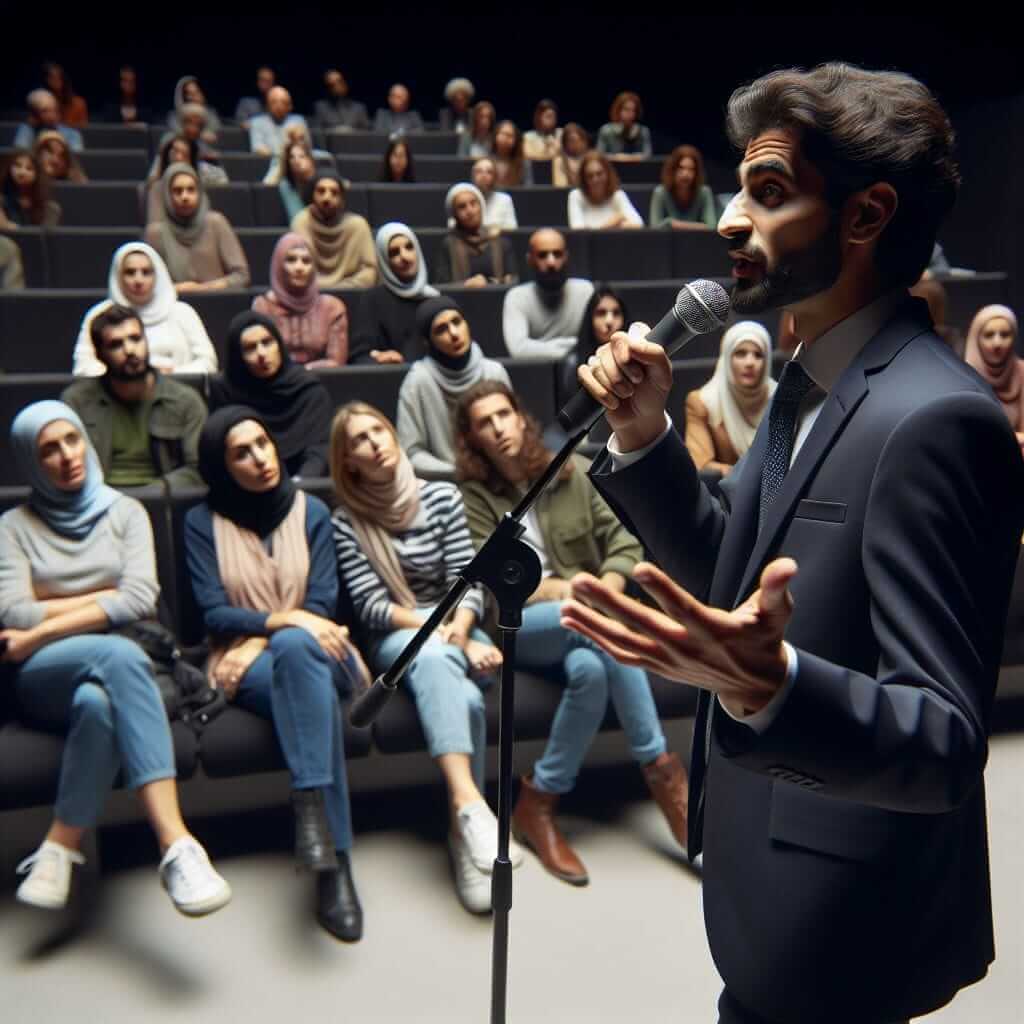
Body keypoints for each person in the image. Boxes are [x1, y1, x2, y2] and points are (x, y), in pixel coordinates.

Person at [566, 63, 1024, 1024]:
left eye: (768, 194)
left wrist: (769, 689)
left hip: (846, 924)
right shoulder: (807, 382)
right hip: (770, 882)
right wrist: (646, 437)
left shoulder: (937, 420)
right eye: (740, 190)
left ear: (865, 218)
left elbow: (943, 740)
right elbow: (734, 572)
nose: (730, 219)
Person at [0, 401, 231, 917]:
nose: (66, 456)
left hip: (74, 657)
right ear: (31, 462)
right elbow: (11, 608)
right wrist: (102, 597)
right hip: (42, 676)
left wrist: (44, 627)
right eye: (49, 450)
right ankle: (176, 843)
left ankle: (60, 846)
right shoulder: (13, 527)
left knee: (99, 703)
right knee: (118, 653)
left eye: (72, 440)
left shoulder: (124, 511)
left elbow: (140, 598)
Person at [455, 381, 690, 883]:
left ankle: (538, 801)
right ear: (471, 438)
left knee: (591, 671)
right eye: (483, 423)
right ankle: (667, 781)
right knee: (589, 627)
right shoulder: (474, 496)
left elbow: (623, 542)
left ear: (520, 417)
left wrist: (603, 588)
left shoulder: (571, 470)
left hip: (586, 621)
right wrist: (577, 594)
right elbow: (496, 583)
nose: (497, 428)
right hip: (521, 626)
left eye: (503, 414)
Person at [329, 402, 522, 913]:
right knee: (436, 663)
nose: (374, 442)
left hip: (454, 624)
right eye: (360, 440)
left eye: (378, 430)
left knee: (470, 702)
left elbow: (471, 578)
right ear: (348, 462)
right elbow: (373, 607)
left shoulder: (440, 496)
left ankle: (466, 833)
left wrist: (463, 627)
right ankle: (467, 807)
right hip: (398, 637)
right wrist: (450, 637)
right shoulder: (347, 521)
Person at [186, 407, 363, 940]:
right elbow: (213, 613)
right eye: (242, 452)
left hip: (319, 653)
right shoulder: (201, 522)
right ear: (222, 466)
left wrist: (272, 630)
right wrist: (284, 622)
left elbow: (323, 602)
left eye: (263, 443)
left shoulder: (311, 511)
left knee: (296, 648)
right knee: (307, 685)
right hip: (249, 667)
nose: (261, 458)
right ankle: (336, 865)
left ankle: (313, 815)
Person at [62, 305, 206, 489]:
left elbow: (196, 469)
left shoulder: (185, 401)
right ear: (100, 355)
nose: (129, 350)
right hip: (100, 502)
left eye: (135, 339)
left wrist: (149, 495)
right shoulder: (77, 402)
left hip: (163, 501)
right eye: (116, 344)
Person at [397, 295, 511, 480]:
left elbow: (514, 430)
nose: (454, 333)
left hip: (499, 476)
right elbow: (411, 453)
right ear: (428, 341)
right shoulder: (417, 381)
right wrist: (458, 472)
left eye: (457, 322)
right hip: (446, 482)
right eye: (441, 329)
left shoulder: (493, 372)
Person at [210, 312, 332, 479]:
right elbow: (219, 453)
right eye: (250, 348)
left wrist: (301, 484)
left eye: (267, 342)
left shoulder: (307, 389)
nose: (262, 353)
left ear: (279, 345)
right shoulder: (224, 390)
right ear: (238, 357)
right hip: (244, 483)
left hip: (302, 483)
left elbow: (319, 450)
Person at [73, 243, 218, 377]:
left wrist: (173, 373)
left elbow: (208, 362)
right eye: (130, 272)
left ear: (158, 275)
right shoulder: (99, 314)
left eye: (146, 272)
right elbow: (83, 367)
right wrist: (125, 375)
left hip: (176, 390)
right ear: (118, 276)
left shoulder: (182, 312)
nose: (138, 280)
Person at [684, 321, 776, 478]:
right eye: (740, 353)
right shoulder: (703, 402)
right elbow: (701, 465)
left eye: (758, 355)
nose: (750, 363)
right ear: (727, 358)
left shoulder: (781, 398)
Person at [144, 164, 250, 293]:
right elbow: (148, 283)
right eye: (177, 191)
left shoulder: (216, 223)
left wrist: (200, 289)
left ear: (199, 192)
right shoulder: (155, 233)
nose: (185, 196)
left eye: (191, 189)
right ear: (167, 195)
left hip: (218, 301)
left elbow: (242, 276)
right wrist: (174, 290)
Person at [252, 233, 349, 368]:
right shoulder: (263, 307)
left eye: (306, 261)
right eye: (291, 260)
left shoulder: (332, 308)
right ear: (279, 264)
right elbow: (261, 359)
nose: (299, 267)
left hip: (323, 382)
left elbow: (337, 363)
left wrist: (305, 371)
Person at [349, 222, 439, 365]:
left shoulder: (435, 300)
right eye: (394, 253)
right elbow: (359, 356)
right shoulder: (372, 300)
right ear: (385, 261)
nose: (404, 256)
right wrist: (377, 358)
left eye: (409, 247)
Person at [502, 229, 594, 360]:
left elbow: (594, 343)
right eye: (542, 255)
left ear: (566, 257)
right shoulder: (517, 297)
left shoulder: (585, 291)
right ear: (530, 260)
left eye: (557, 254)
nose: (551, 262)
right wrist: (572, 347)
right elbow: (518, 349)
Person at [291, 171, 376, 289]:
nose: (327, 197)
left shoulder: (358, 226)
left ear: (342, 198)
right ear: (312, 195)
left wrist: (341, 289)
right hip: (310, 297)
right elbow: (297, 269)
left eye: (334, 193)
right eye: (321, 191)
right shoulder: (301, 221)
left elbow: (370, 272)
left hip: (351, 294)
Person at [434, 182, 518, 287]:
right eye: (462, 207)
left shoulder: (501, 241)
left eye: (473, 203)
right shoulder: (448, 244)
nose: (470, 210)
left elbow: (514, 280)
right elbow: (442, 285)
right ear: (454, 214)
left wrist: (497, 283)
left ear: (481, 206)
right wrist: (466, 285)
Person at [965, 304, 1024, 450]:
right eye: (989, 335)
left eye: (1005, 335)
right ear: (976, 339)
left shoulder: (1022, 371)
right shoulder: (964, 376)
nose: (997, 343)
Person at [143, 134, 229, 224]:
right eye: (175, 152)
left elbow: (223, 180)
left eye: (185, 155)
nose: (178, 158)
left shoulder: (200, 173)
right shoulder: (157, 187)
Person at [568, 151, 643, 229]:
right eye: (590, 176)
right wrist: (613, 222)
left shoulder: (617, 195)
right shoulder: (576, 196)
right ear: (584, 179)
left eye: (599, 174)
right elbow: (578, 230)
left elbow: (638, 224)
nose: (595, 180)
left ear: (607, 174)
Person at [649, 145, 718, 230]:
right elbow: (654, 228)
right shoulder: (660, 192)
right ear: (672, 169)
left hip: (697, 242)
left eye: (691, 169)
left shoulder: (704, 192)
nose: (686, 174)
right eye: (681, 168)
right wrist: (698, 226)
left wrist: (673, 224)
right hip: (667, 242)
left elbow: (711, 227)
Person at [0, 150, 61, 228]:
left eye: (29, 168)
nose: (22, 172)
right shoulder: (1, 200)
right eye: (17, 166)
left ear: (37, 174)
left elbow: (44, 238)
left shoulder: (50, 209)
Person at [575, 284, 630, 368]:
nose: (609, 321)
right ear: (590, 319)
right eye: (601, 313)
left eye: (616, 313)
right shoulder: (576, 365)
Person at [13, 89, 84, 152]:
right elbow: (20, 156)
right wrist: (29, 128)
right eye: (45, 111)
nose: (52, 116)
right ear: (34, 115)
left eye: (54, 109)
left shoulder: (73, 135)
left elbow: (75, 162)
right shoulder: (27, 130)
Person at [249, 87, 310, 157]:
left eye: (283, 102)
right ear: (267, 106)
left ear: (290, 106)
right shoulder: (257, 122)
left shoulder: (298, 121)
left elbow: (305, 146)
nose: (279, 106)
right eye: (274, 102)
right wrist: (280, 159)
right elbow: (258, 148)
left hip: (294, 162)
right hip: (268, 162)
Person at [596, 91, 652, 161]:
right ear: (618, 110)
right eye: (626, 109)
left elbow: (648, 154)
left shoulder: (643, 131)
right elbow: (599, 155)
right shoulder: (606, 130)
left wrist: (631, 158)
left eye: (633, 110)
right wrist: (616, 157)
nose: (630, 114)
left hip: (637, 169)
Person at [167, 76, 222, 144]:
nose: (191, 97)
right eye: (187, 93)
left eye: (196, 92)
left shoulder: (212, 115)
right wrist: (198, 135)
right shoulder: (174, 117)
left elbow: (215, 133)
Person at [274, 139, 317, 221]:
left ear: (310, 160)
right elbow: (296, 217)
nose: (296, 161)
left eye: (302, 156)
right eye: (292, 157)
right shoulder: (285, 185)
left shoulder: (322, 181)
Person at [471, 157, 517, 231]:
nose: (484, 175)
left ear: (495, 177)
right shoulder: (465, 197)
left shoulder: (504, 199)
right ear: (473, 176)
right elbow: (452, 224)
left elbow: (512, 227)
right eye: (479, 171)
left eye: (489, 172)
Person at [491, 120, 532, 187]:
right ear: (496, 136)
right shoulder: (488, 161)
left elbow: (528, 188)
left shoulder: (524, 163)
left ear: (515, 140)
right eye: (502, 134)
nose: (505, 138)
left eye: (510, 135)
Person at [552, 122, 589, 189]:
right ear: (565, 143)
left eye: (579, 140)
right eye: (572, 141)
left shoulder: (590, 159)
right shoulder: (559, 161)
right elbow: (560, 186)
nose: (576, 144)